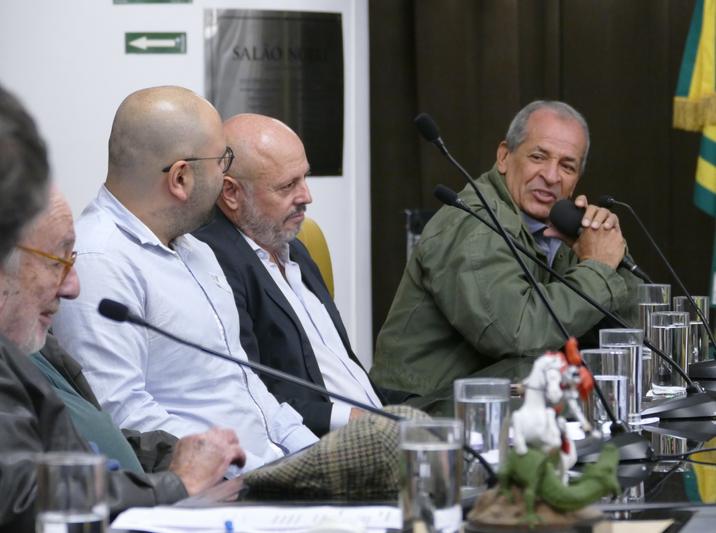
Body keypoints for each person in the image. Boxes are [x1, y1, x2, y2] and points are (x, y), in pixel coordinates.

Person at [0, 85, 245, 531]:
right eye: (56, 261)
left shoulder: (30, 341)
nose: (74, 285)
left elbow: (97, 431)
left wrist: (176, 456)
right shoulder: (99, 264)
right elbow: (23, 496)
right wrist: (176, 484)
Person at [52, 87, 318, 475]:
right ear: (180, 177)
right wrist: (257, 474)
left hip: (269, 473)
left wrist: (313, 456)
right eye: (222, 160)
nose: (226, 174)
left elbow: (245, 386)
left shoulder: (195, 247)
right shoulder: (100, 261)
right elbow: (123, 417)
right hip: (214, 490)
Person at [370, 100, 641, 396]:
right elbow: (517, 333)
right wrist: (597, 269)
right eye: (538, 157)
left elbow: (628, 334)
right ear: (504, 157)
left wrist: (609, 252)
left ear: (576, 181)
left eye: (567, 166)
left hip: (498, 403)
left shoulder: (561, 230)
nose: (551, 176)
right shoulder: (474, 223)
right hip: (422, 411)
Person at [194, 114, 416, 437]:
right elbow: (246, 397)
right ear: (231, 192)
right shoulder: (213, 261)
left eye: (304, 178)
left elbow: (341, 372)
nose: (306, 196)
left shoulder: (295, 248)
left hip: (374, 426)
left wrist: (406, 410)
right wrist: (351, 418)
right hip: (315, 443)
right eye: (288, 185)